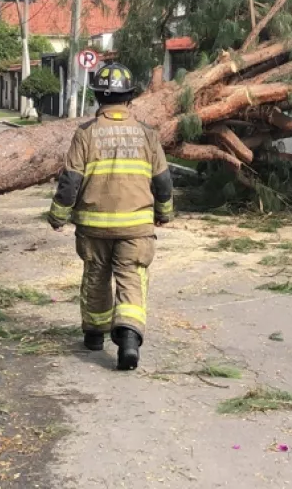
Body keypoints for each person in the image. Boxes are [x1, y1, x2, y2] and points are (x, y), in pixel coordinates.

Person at [47, 63, 173, 371]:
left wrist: (57, 215)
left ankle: (93, 335)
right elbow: (163, 181)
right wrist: (164, 213)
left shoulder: (86, 133)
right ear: (129, 97)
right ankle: (129, 339)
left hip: (94, 226)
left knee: (95, 277)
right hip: (136, 227)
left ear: (98, 98)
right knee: (131, 278)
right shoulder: (147, 134)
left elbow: (71, 181)